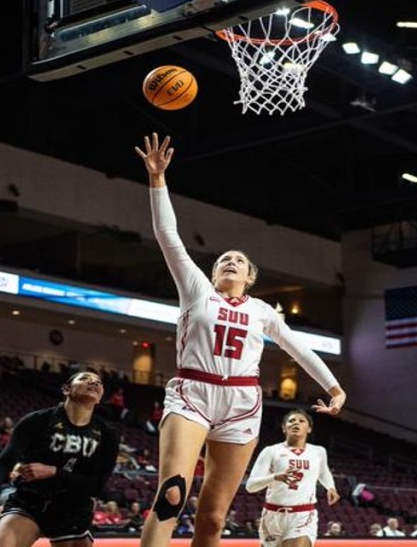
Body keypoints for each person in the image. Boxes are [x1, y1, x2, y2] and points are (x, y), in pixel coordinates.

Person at [135, 133, 346, 547]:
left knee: (213, 518)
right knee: (171, 496)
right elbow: (168, 234)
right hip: (193, 393)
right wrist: (157, 179)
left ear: (249, 277)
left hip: (242, 402)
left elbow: (298, 348)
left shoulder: (263, 311)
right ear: (213, 273)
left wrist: (334, 388)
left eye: (239, 261)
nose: (230, 261)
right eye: (223, 260)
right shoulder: (196, 289)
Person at [0, 372, 120, 547]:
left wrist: (53, 472)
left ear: (100, 397)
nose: (93, 383)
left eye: (98, 382)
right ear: (66, 389)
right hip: (30, 502)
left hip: (73, 509)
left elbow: (96, 486)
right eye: (85, 378)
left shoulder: (107, 434)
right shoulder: (37, 420)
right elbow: (3, 462)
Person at [245, 409, 340, 547]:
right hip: (272, 516)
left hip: (303, 515)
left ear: (309, 429)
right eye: (291, 421)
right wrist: (274, 477)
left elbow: (324, 472)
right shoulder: (271, 451)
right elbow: (250, 486)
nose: (296, 423)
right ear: (284, 428)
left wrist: (331, 487)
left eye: (301, 421)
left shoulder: (319, 451)